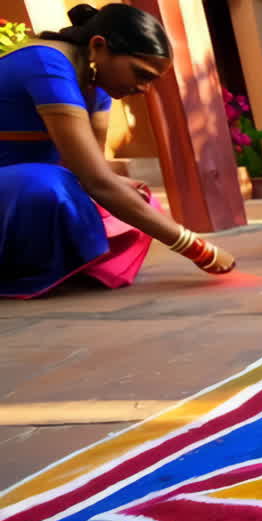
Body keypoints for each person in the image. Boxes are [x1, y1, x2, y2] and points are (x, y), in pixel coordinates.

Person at [0, 3, 235, 299]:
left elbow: (91, 168)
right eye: (140, 73)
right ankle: (23, 270)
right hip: (24, 186)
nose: (144, 88)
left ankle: (65, 265)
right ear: (98, 47)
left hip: (27, 184)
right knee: (46, 186)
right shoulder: (47, 65)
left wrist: (118, 184)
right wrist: (196, 248)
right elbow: (94, 180)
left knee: (140, 200)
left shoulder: (97, 84)